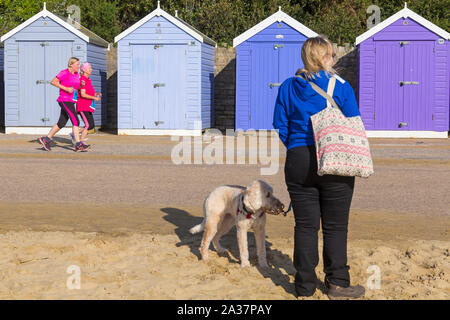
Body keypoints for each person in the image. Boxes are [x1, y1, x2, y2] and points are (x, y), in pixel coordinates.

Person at [273, 36, 365, 299]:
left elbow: (281, 125)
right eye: (331, 54)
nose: (334, 58)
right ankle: (337, 283)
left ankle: (304, 286)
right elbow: (353, 123)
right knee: (335, 226)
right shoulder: (342, 86)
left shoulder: (288, 87)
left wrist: (297, 148)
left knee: (305, 225)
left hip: (298, 158)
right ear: (323, 57)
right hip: (334, 157)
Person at [38, 57, 88, 152]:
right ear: (71, 65)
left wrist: (81, 85)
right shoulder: (64, 72)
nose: (79, 66)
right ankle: (78, 144)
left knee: (61, 123)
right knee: (75, 120)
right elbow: (53, 82)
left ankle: (46, 139)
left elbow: (75, 87)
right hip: (64, 100)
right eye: (77, 64)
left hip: (71, 100)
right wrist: (66, 88)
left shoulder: (76, 74)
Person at [71, 62, 101, 149]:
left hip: (87, 106)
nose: (91, 69)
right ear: (84, 70)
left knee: (91, 125)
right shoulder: (83, 80)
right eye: (89, 68)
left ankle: (74, 134)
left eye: (91, 68)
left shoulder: (88, 79)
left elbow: (88, 92)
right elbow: (83, 95)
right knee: (87, 125)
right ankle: (80, 142)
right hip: (82, 106)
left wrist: (95, 94)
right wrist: (94, 98)